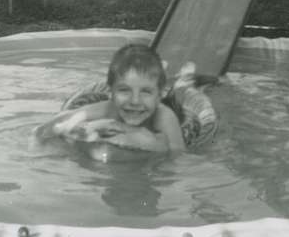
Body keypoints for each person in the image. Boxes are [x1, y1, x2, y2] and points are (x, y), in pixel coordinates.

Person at [36, 44, 186, 155]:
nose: (134, 101)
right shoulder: (109, 109)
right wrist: (41, 139)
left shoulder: (164, 117)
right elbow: (65, 119)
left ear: (159, 95)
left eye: (146, 92)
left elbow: (177, 157)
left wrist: (129, 132)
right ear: (110, 92)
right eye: (124, 90)